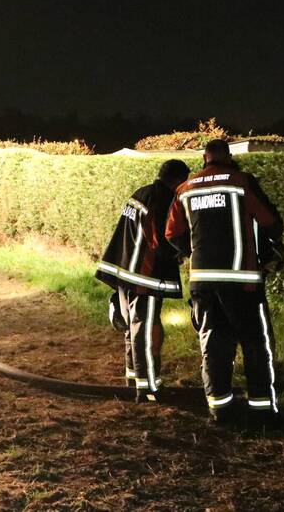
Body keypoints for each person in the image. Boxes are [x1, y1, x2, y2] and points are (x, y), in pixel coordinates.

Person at [165, 139, 284, 425]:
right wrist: (270, 249)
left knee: (213, 344)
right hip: (241, 281)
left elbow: (171, 232)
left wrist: (191, 250)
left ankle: (220, 408)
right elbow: (270, 221)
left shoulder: (186, 188)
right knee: (255, 344)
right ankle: (262, 410)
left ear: (204, 159)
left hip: (203, 282)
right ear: (228, 157)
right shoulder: (241, 181)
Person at [96, 159, 191, 402]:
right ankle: (147, 387)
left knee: (133, 328)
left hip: (124, 273)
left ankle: (133, 379)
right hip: (144, 277)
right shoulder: (162, 199)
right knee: (146, 329)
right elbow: (161, 239)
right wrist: (181, 251)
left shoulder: (141, 193)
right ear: (178, 180)